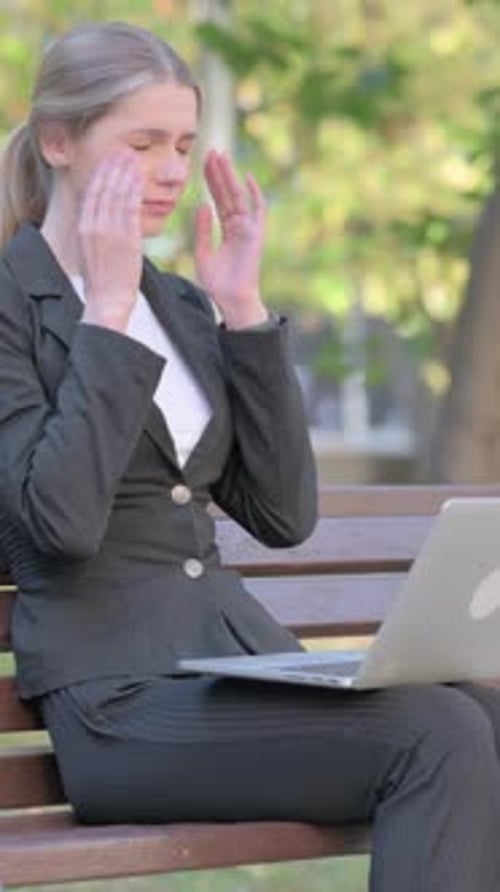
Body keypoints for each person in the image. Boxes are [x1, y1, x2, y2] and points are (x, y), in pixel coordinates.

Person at [0, 21, 500, 892]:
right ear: (57, 141)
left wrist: (241, 311)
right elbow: (60, 525)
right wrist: (105, 313)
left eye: (184, 145)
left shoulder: (182, 304)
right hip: (117, 706)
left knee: (482, 712)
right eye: (143, 142)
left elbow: (281, 515)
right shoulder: (17, 303)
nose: (169, 170)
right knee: (437, 732)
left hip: (228, 670)